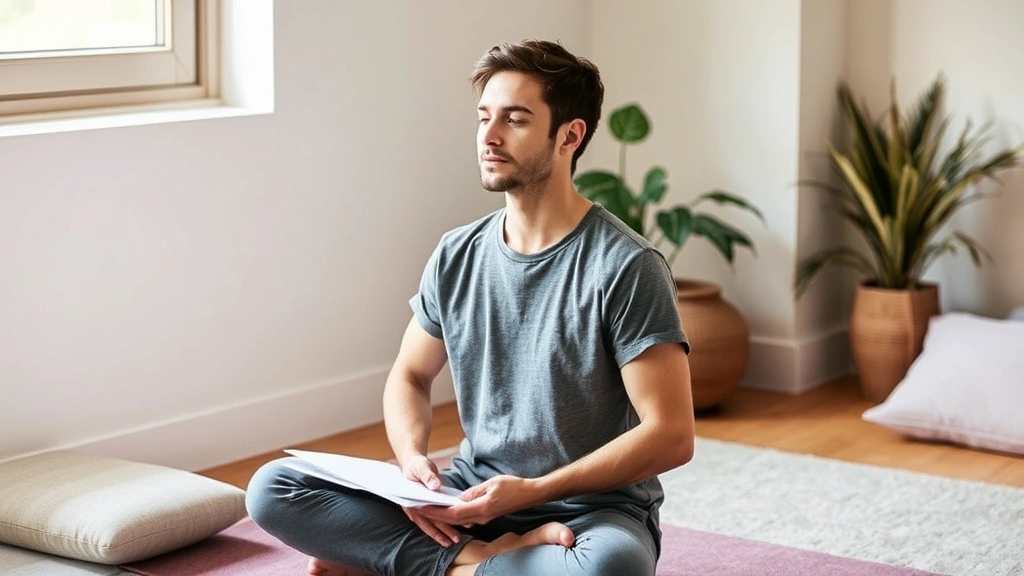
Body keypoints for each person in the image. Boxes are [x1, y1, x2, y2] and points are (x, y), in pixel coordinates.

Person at [246, 39, 695, 576]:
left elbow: (671, 433)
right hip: (467, 498)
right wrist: (412, 463)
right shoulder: (457, 252)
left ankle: (412, 564)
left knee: (608, 569)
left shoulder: (626, 265)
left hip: (587, 511)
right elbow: (410, 376)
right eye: (484, 117)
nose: (489, 135)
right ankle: (476, 561)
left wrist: (531, 491)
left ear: (569, 136)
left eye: (515, 119)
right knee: (273, 488)